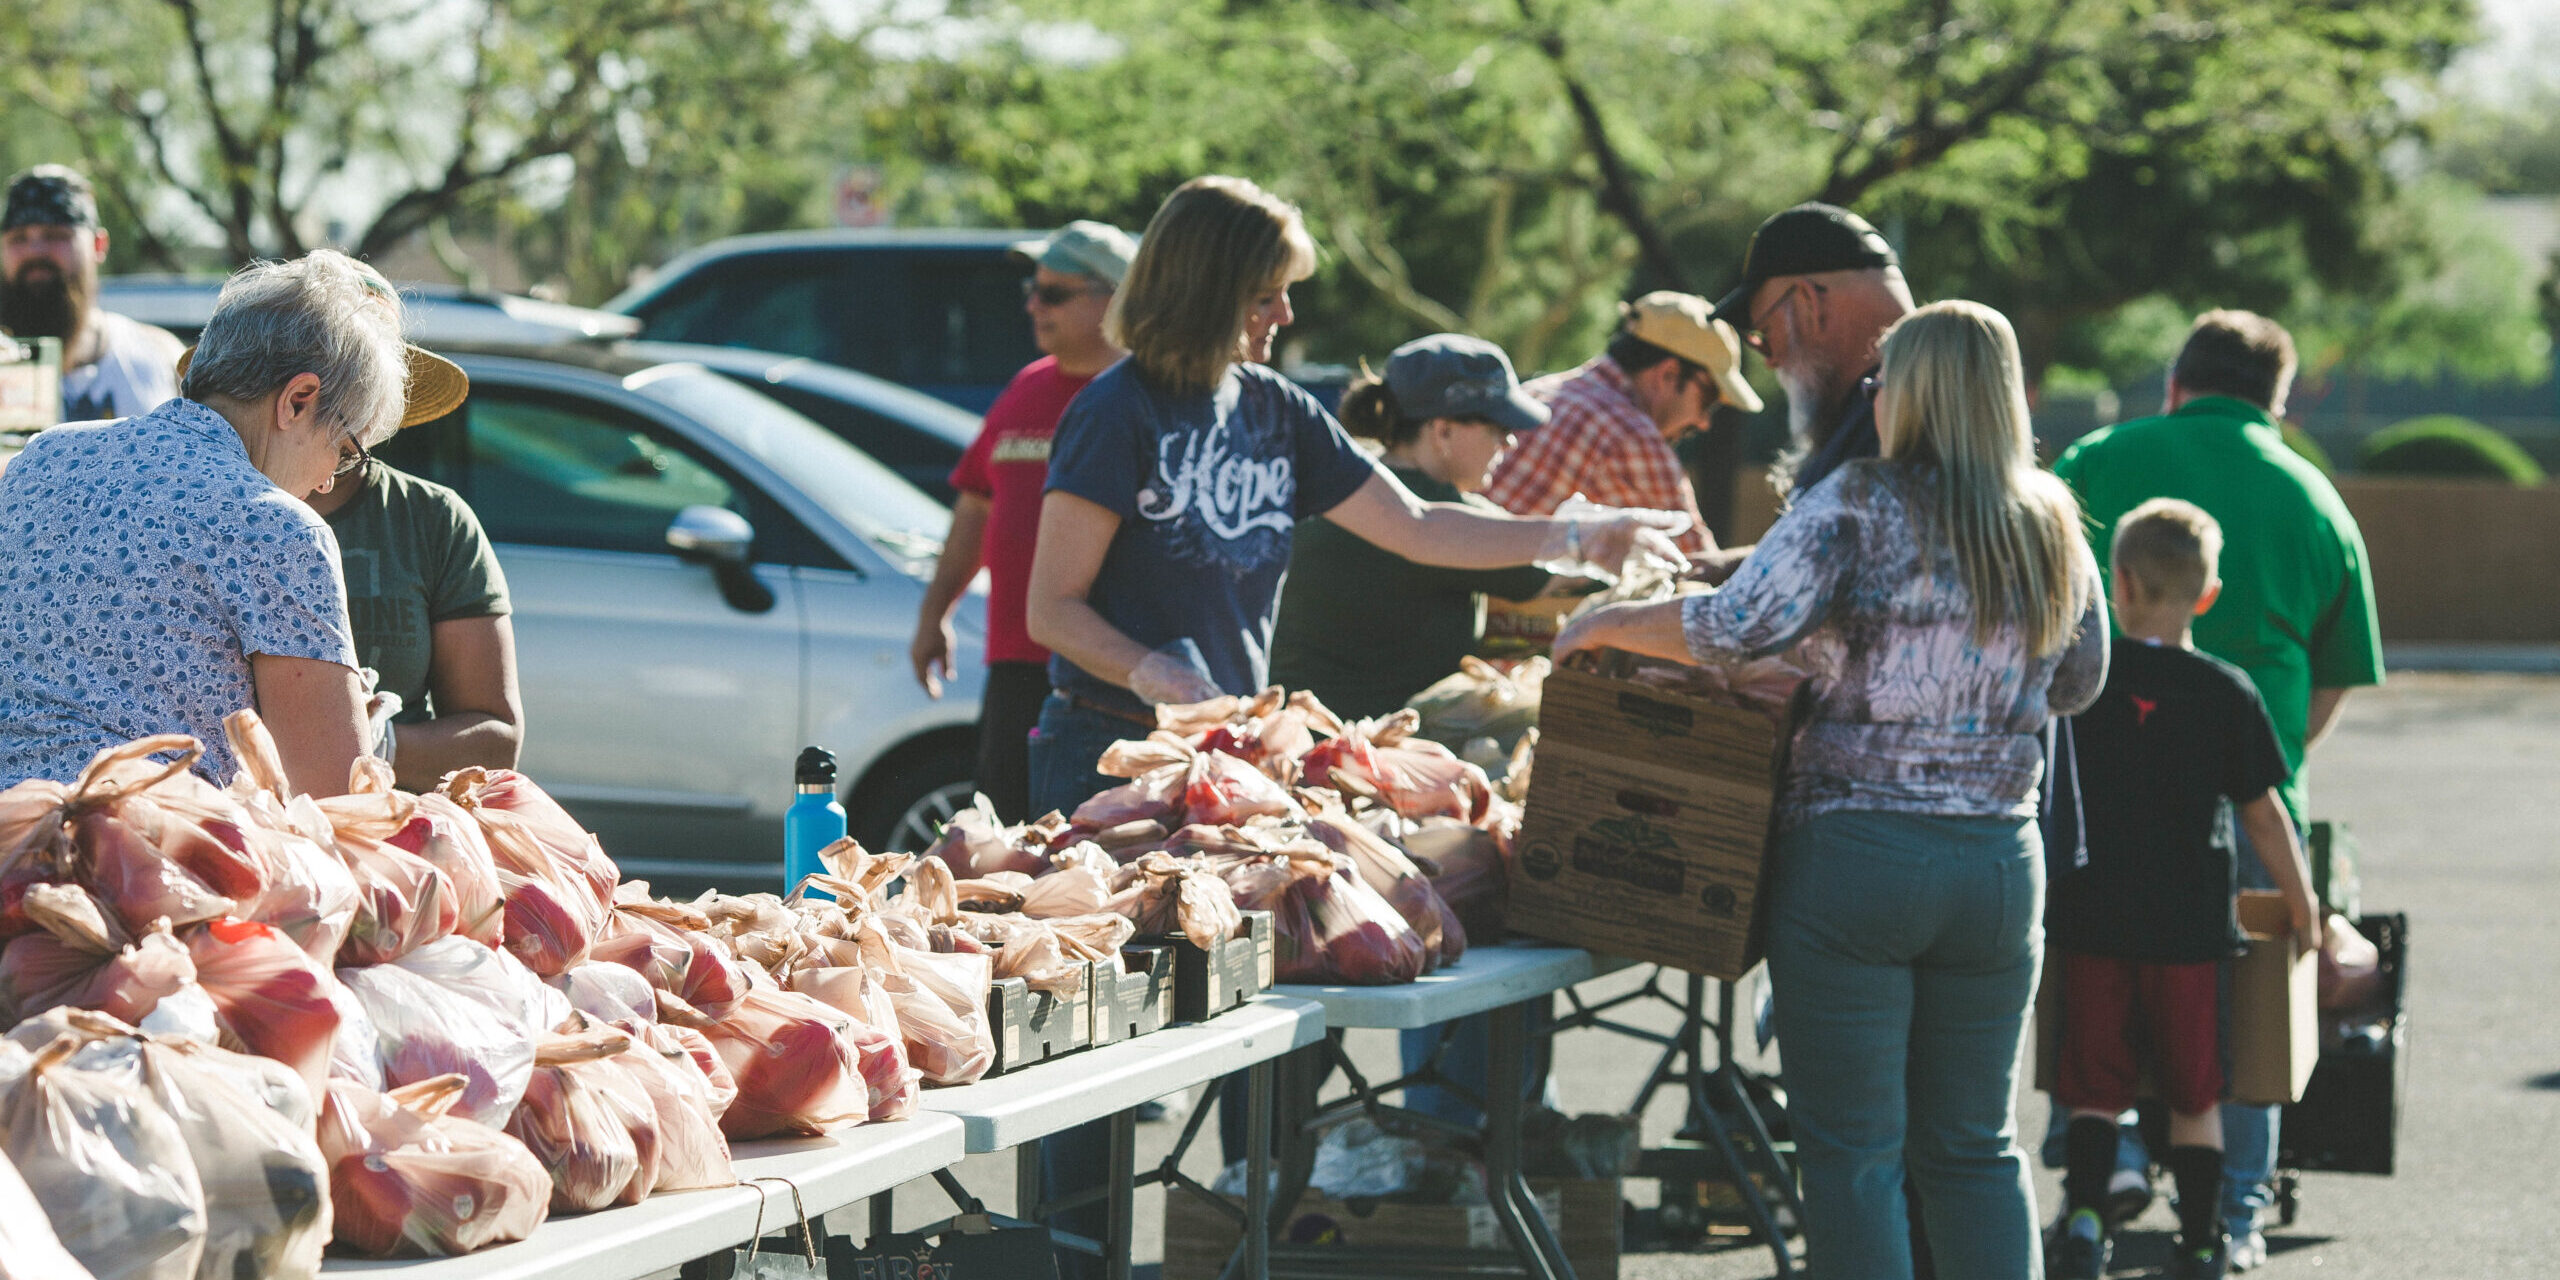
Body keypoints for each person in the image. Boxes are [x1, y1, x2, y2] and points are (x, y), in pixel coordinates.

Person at [1022, 173, 1684, 1279]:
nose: (1285, 318)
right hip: (1105, 767)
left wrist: (1587, 536)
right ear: (1210, 287)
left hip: (1232, 778)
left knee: (1256, 1037)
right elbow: (1051, 606)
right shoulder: (1115, 410)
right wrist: (1148, 666)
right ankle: (1071, 1257)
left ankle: (1241, 1240)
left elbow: (1419, 524)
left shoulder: (1278, 409)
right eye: (1269, 294)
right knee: (1097, 1058)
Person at [1556, 300, 2108, 1280]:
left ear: (1920, 392)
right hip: (1996, 863)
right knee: (1976, 1147)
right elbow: (2078, 681)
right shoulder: (2051, 518)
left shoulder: (1858, 499)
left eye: (1886, 379)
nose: (1876, 396)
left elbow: (1733, 625)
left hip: (1856, 854)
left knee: (1853, 1157)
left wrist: (1601, 626)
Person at [2052, 310, 2384, 1267]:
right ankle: (2234, 1217)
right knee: (2240, 1029)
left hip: (2093, 800)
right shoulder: (2315, 496)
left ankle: (2102, 1162)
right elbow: (2334, 677)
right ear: (2276, 403)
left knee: (2091, 998)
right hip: (2239, 803)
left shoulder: (2097, 456)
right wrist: (2264, 761)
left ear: (2175, 385)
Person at [0, 249, 466, 796]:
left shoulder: (45, 457)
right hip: (143, 859)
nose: (326, 482)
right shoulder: (279, 529)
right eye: (344, 449)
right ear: (297, 401)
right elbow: (337, 797)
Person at [2045, 499, 2321, 1280]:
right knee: (2196, 1092)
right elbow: (2264, 815)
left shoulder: (2081, 682)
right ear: (2208, 595)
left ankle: (2086, 1218)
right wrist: (2303, 907)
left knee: (2096, 1085)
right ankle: (2199, 1241)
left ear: (2118, 583)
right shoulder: (2226, 692)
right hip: (2190, 932)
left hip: (2092, 919)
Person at [911, 219, 1137, 821]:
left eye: (1055, 293)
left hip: (1107, 679)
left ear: (1114, 297)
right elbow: (976, 508)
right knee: (1005, 850)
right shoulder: (1027, 386)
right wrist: (936, 614)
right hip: (1015, 665)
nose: (1034, 305)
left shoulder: (1143, 397)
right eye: (1033, 290)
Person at [1270, 332, 1554, 719]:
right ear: (1443, 431)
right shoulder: (1440, 513)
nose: (1509, 444)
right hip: (1370, 749)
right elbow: (1565, 570)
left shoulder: (1349, 478)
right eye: (1498, 429)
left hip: (1281, 726)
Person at [1481, 291, 1761, 570]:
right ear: (1669, 374)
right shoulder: (1632, 435)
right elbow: (1699, 568)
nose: (1703, 422)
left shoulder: (1534, 391)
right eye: (1709, 399)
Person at [302, 449, 523, 791]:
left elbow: (496, 744)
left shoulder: (434, 517)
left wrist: (378, 743)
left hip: (394, 825)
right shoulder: (216, 508)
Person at [1710, 202, 1914, 506]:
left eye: (1763, 335)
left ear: (1808, 303)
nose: (1770, 359)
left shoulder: (1893, 417)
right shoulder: (1917, 404)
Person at [0, 165, 182, 423]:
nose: (35, 250)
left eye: (56, 235)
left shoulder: (161, 358)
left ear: (99, 245)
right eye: (19, 238)